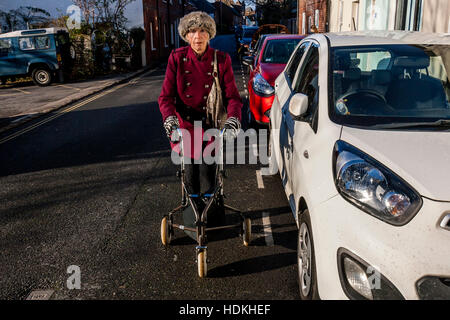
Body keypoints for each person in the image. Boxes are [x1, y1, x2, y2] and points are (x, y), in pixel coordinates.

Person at [158, 11, 242, 208]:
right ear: (186, 35)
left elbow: (233, 97)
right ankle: (193, 215)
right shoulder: (177, 58)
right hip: (185, 127)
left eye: (203, 31)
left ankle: (211, 211)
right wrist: (170, 120)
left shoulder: (221, 60)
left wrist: (233, 120)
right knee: (190, 175)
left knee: (207, 171)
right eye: (193, 31)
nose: (198, 36)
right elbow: (165, 97)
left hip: (211, 126)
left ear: (209, 34)